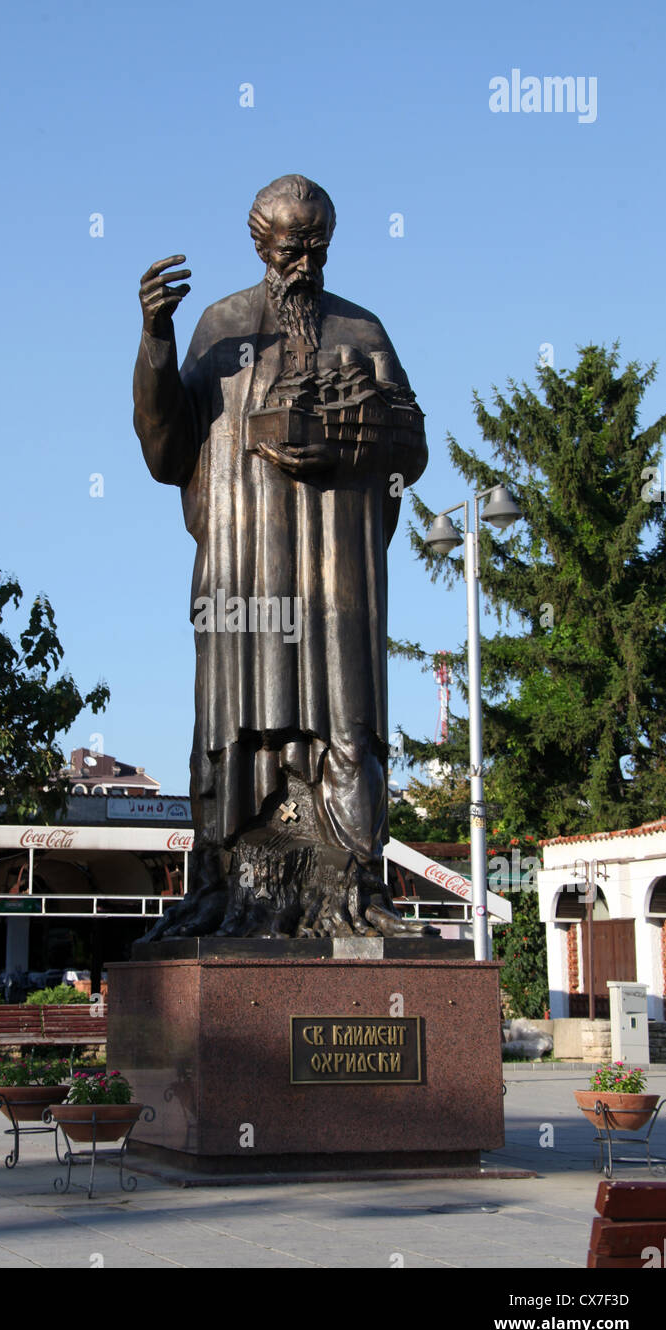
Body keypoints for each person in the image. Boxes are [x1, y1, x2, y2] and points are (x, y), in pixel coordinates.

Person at [133, 175, 429, 939]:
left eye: (317, 246)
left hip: (337, 566)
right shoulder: (222, 327)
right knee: (242, 709)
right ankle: (233, 878)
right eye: (290, 247)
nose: (304, 262)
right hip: (248, 562)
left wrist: (350, 432)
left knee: (347, 717)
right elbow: (167, 451)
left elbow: (412, 445)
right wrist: (156, 344)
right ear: (261, 243)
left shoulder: (362, 331)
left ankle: (354, 884)